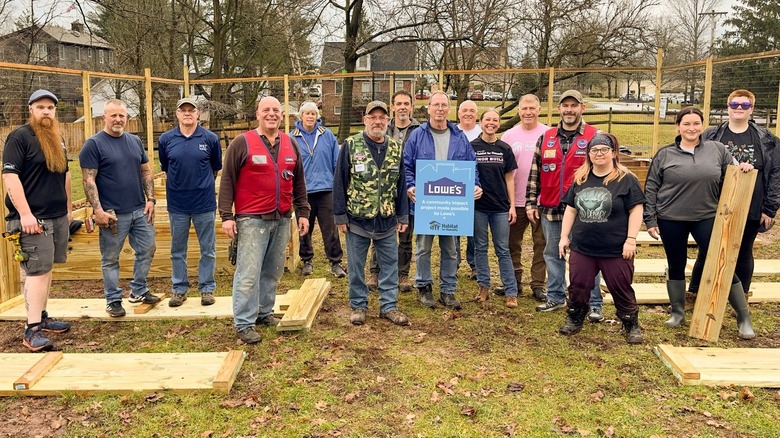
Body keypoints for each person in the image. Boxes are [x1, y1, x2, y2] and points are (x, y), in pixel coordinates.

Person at [644, 106, 756, 339]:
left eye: (696, 123)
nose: (691, 128)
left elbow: (734, 171)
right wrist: (650, 219)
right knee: (676, 263)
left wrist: (743, 167)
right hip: (670, 217)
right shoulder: (665, 154)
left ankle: (742, 316)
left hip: (706, 216)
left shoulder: (717, 150)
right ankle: (677, 312)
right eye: (686, 124)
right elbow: (652, 186)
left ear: (702, 126)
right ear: (678, 127)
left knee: (721, 263)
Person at [218, 96, 310, 344]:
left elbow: (298, 182)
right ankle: (244, 322)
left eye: (276, 110)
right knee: (249, 272)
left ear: (282, 115)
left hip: (281, 218)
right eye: (266, 110)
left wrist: (303, 212)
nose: (271, 114)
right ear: (257, 114)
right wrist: (226, 216)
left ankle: (264, 312)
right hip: (252, 219)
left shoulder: (291, 144)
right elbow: (227, 180)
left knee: (272, 270)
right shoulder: (242, 143)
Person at [687, 89, 780, 298]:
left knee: (743, 250)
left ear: (751, 109)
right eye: (735, 104)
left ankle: (740, 297)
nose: (739, 108)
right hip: (714, 202)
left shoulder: (767, 140)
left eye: (745, 105)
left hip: (751, 203)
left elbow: (776, 175)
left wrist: (770, 208)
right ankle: (694, 293)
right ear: (728, 107)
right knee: (707, 248)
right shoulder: (710, 135)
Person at [558, 133, 645, 343]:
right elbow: (570, 210)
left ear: (613, 152)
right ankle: (576, 317)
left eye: (604, 150)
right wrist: (563, 237)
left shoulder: (626, 180)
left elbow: (636, 210)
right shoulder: (581, 179)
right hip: (583, 247)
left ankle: (630, 322)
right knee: (578, 285)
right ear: (588, 154)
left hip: (615, 248)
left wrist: (631, 239)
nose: (599, 154)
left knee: (621, 287)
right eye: (594, 150)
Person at [2, 89, 72, 351]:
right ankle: (31, 330)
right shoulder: (19, 138)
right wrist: (25, 214)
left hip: (57, 216)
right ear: (31, 109)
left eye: (51, 108)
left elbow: (64, 174)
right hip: (33, 219)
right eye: (41, 107)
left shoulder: (56, 138)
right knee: (36, 272)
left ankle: (42, 317)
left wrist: (68, 207)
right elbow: (10, 177)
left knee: (47, 269)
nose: (46, 112)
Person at [526, 90, 604, 319]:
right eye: (565, 105)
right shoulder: (546, 136)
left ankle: (594, 302)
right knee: (552, 253)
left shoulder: (594, 136)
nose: (569, 110)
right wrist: (531, 202)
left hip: (585, 210)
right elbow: (534, 173)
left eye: (574, 105)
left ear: (582, 108)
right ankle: (556, 296)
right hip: (550, 207)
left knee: (588, 257)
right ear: (559, 109)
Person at [80, 99, 160, 318]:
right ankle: (113, 299)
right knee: (110, 258)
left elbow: (145, 171)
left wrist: (151, 199)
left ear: (127, 117)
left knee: (147, 249)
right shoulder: (94, 144)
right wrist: (97, 210)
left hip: (139, 210)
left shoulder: (134, 141)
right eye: (113, 115)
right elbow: (88, 180)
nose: (118, 119)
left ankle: (139, 290)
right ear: (103, 117)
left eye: (121, 115)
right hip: (112, 214)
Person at [403, 91, 482, 310]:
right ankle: (424, 286)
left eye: (444, 105)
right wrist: (410, 186)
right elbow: (407, 165)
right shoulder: (417, 135)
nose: (439, 109)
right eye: (435, 105)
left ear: (449, 109)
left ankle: (448, 290)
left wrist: (475, 185)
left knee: (450, 250)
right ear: (428, 108)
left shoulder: (459, 136)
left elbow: (471, 165)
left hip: (452, 205)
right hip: (426, 203)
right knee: (423, 248)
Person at [334, 101, 410, 326]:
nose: (378, 121)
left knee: (389, 266)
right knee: (356, 266)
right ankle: (358, 305)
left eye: (382, 118)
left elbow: (402, 183)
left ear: (388, 121)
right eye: (373, 117)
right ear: (365, 120)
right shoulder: (351, 145)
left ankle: (389, 306)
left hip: (386, 220)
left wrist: (403, 215)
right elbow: (339, 181)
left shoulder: (396, 148)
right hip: (357, 219)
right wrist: (340, 215)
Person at [158, 97, 222, 307]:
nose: (187, 113)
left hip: (204, 203)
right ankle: (179, 289)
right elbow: (166, 167)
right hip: (177, 204)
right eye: (183, 110)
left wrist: (202, 186)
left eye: (191, 110)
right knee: (177, 249)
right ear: (177, 114)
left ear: (198, 114)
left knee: (208, 249)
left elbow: (215, 167)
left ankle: (207, 288)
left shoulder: (210, 139)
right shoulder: (166, 140)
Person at [366, 90, 421, 292]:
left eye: (406, 103)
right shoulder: (383, 127)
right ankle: (375, 272)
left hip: (410, 189)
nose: (403, 107)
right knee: (378, 231)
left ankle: (403, 274)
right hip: (384, 190)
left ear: (411, 107)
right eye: (399, 103)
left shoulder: (419, 130)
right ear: (393, 107)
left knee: (405, 234)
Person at [500, 94, 548, 302]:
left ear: (539, 109)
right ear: (518, 111)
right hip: (515, 201)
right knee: (511, 244)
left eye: (532, 108)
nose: (528, 112)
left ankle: (538, 284)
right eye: (524, 108)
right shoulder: (509, 136)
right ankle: (514, 282)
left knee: (542, 244)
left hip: (542, 201)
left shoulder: (548, 134)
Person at [290, 101, 346, 278]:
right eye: (307, 113)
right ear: (301, 116)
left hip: (325, 189)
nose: (310, 116)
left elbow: (336, 162)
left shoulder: (327, 135)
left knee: (330, 228)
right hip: (302, 192)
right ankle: (307, 261)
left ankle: (336, 262)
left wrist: (337, 186)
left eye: (313, 113)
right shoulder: (292, 138)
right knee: (304, 227)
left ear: (317, 116)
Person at [471, 109, 519, 308]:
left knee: (502, 249)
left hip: (500, 207)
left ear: (499, 124)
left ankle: (511, 291)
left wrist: (512, 206)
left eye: (495, 120)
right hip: (478, 207)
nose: (491, 123)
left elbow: (509, 179)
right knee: (480, 248)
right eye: (487, 119)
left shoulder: (504, 148)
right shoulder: (471, 146)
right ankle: (483, 287)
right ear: (480, 122)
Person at [456, 99, 481, 278]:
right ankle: (454, 262)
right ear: (458, 113)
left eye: (472, 110)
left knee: (474, 231)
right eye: (464, 110)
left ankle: (474, 264)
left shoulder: (483, 132)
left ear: (477, 114)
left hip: (476, 191)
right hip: (455, 190)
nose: (468, 113)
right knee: (454, 229)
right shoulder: (453, 133)